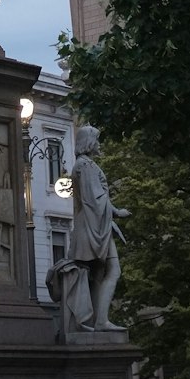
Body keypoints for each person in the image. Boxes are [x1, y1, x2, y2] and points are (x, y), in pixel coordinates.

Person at [63, 124, 130, 331]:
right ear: (90, 143)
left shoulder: (83, 165)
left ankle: (97, 320)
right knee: (113, 270)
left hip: (92, 224)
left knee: (98, 274)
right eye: (97, 140)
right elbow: (95, 199)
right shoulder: (86, 166)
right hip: (93, 226)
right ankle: (100, 320)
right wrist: (116, 213)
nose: (99, 145)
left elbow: (95, 199)